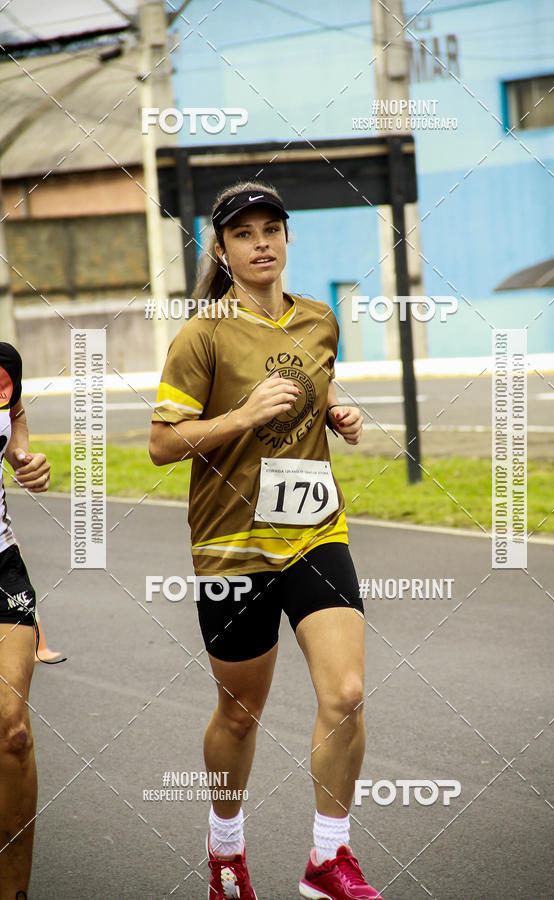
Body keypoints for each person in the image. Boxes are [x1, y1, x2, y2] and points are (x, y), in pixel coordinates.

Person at [149, 182, 382, 899]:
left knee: (345, 692)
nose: (261, 243)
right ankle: (225, 852)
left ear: (286, 240)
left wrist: (338, 411)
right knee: (239, 712)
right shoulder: (202, 335)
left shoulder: (318, 320)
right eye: (243, 234)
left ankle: (327, 858)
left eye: (271, 229)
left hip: (315, 530)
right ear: (220, 251)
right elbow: (162, 444)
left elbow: (319, 389)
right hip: (232, 545)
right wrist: (243, 415)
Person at [0, 341, 58, 900]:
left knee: (12, 733)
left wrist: (23, 457)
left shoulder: (2, 362)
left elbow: (13, 413)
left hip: (1, 566)